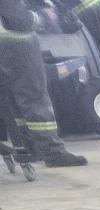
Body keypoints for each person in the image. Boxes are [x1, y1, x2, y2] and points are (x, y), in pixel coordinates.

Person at [0, 0, 87, 165]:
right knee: (34, 96)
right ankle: (53, 152)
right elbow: (18, 19)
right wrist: (37, 17)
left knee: (11, 100)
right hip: (17, 42)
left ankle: (28, 147)